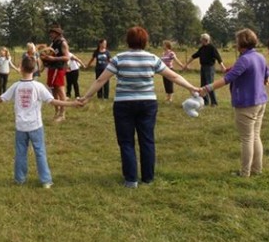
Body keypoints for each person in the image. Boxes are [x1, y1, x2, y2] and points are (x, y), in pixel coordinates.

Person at [79, 26, 200, 188]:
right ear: (145, 41)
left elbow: (101, 80)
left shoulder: (119, 59)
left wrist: (86, 97)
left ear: (128, 41)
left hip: (123, 104)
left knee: (126, 142)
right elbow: (173, 75)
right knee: (147, 140)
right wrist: (191, 87)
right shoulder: (152, 58)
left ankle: (131, 180)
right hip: (147, 104)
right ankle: (148, 179)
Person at [0, 56, 82, 188]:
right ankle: (46, 181)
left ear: (21, 68)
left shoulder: (15, 86)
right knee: (40, 152)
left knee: (20, 153)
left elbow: (1, 98)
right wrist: (72, 103)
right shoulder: (38, 86)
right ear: (34, 69)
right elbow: (53, 101)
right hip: (36, 126)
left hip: (21, 126)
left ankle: (20, 179)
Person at [200, 29, 268, 177]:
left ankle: (245, 173)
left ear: (242, 43)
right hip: (261, 101)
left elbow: (227, 79)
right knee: (255, 135)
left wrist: (206, 88)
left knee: (247, 138)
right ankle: (257, 169)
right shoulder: (260, 56)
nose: (235, 43)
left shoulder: (244, 59)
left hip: (247, 104)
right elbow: (265, 77)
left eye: (236, 41)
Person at [184, 33, 226, 106]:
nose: (201, 41)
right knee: (203, 84)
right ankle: (205, 101)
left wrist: (222, 66)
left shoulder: (212, 48)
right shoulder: (202, 48)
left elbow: (218, 57)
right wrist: (186, 64)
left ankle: (214, 102)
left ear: (205, 40)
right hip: (203, 67)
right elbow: (194, 56)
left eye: (202, 39)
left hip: (209, 68)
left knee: (209, 84)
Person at [40, 26, 71, 122]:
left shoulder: (63, 43)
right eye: (51, 32)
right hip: (52, 68)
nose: (51, 34)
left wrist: (54, 59)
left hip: (59, 68)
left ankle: (62, 114)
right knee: (53, 91)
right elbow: (51, 53)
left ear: (58, 33)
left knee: (60, 90)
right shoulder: (53, 43)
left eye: (53, 33)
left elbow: (67, 57)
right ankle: (56, 112)